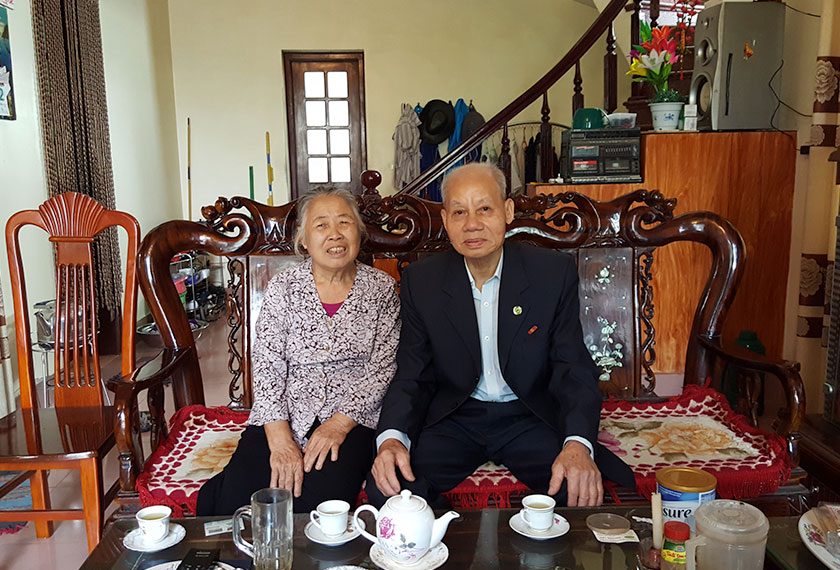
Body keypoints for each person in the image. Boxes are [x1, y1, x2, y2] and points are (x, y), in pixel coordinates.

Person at [367, 163, 634, 509]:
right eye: (459, 212)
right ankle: (453, 544)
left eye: (485, 209)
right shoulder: (423, 282)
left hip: (528, 415)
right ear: (446, 220)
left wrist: (577, 445)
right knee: (389, 488)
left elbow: (572, 367)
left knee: (579, 488)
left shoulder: (550, 274)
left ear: (507, 212)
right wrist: (391, 440)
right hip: (456, 417)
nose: (472, 224)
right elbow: (411, 374)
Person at [197, 187, 400, 515]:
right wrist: (279, 439)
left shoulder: (381, 289)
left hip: (352, 418)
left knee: (323, 505)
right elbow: (266, 363)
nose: (334, 233)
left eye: (344, 222)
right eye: (321, 225)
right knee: (237, 498)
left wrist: (338, 425)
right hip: (284, 412)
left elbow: (383, 367)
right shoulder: (284, 286)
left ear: (359, 232)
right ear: (303, 240)